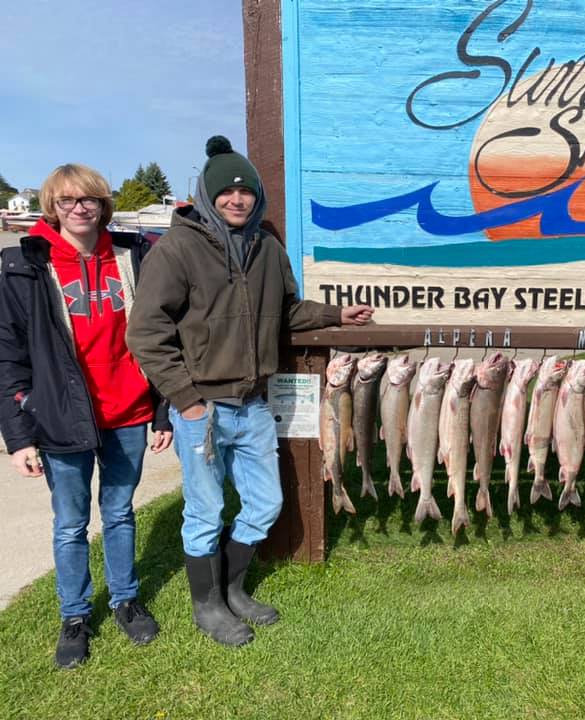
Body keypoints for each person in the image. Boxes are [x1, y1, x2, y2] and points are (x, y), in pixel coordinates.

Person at [126, 136, 373, 647]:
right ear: (208, 195)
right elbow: (145, 334)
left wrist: (333, 314)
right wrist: (185, 396)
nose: (237, 200)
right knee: (205, 508)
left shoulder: (267, 248)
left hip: (254, 403)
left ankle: (234, 589)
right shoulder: (177, 250)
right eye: (226, 192)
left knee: (265, 502)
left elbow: (287, 311)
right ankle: (208, 604)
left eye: (245, 192)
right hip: (203, 407)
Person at [0, 164, 173, 669]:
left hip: (127, 412)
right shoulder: (23, 264)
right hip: (61, 419)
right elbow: (9, 354)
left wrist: (161, 412)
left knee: (119, 513)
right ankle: (74, 615)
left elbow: (164, 335)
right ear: (53, 207)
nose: (80, 208)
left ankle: (125, 599)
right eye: (68, 201)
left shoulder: (134, 255)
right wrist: (19, 435)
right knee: (70, 523)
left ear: (104, 205)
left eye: (90, 200)